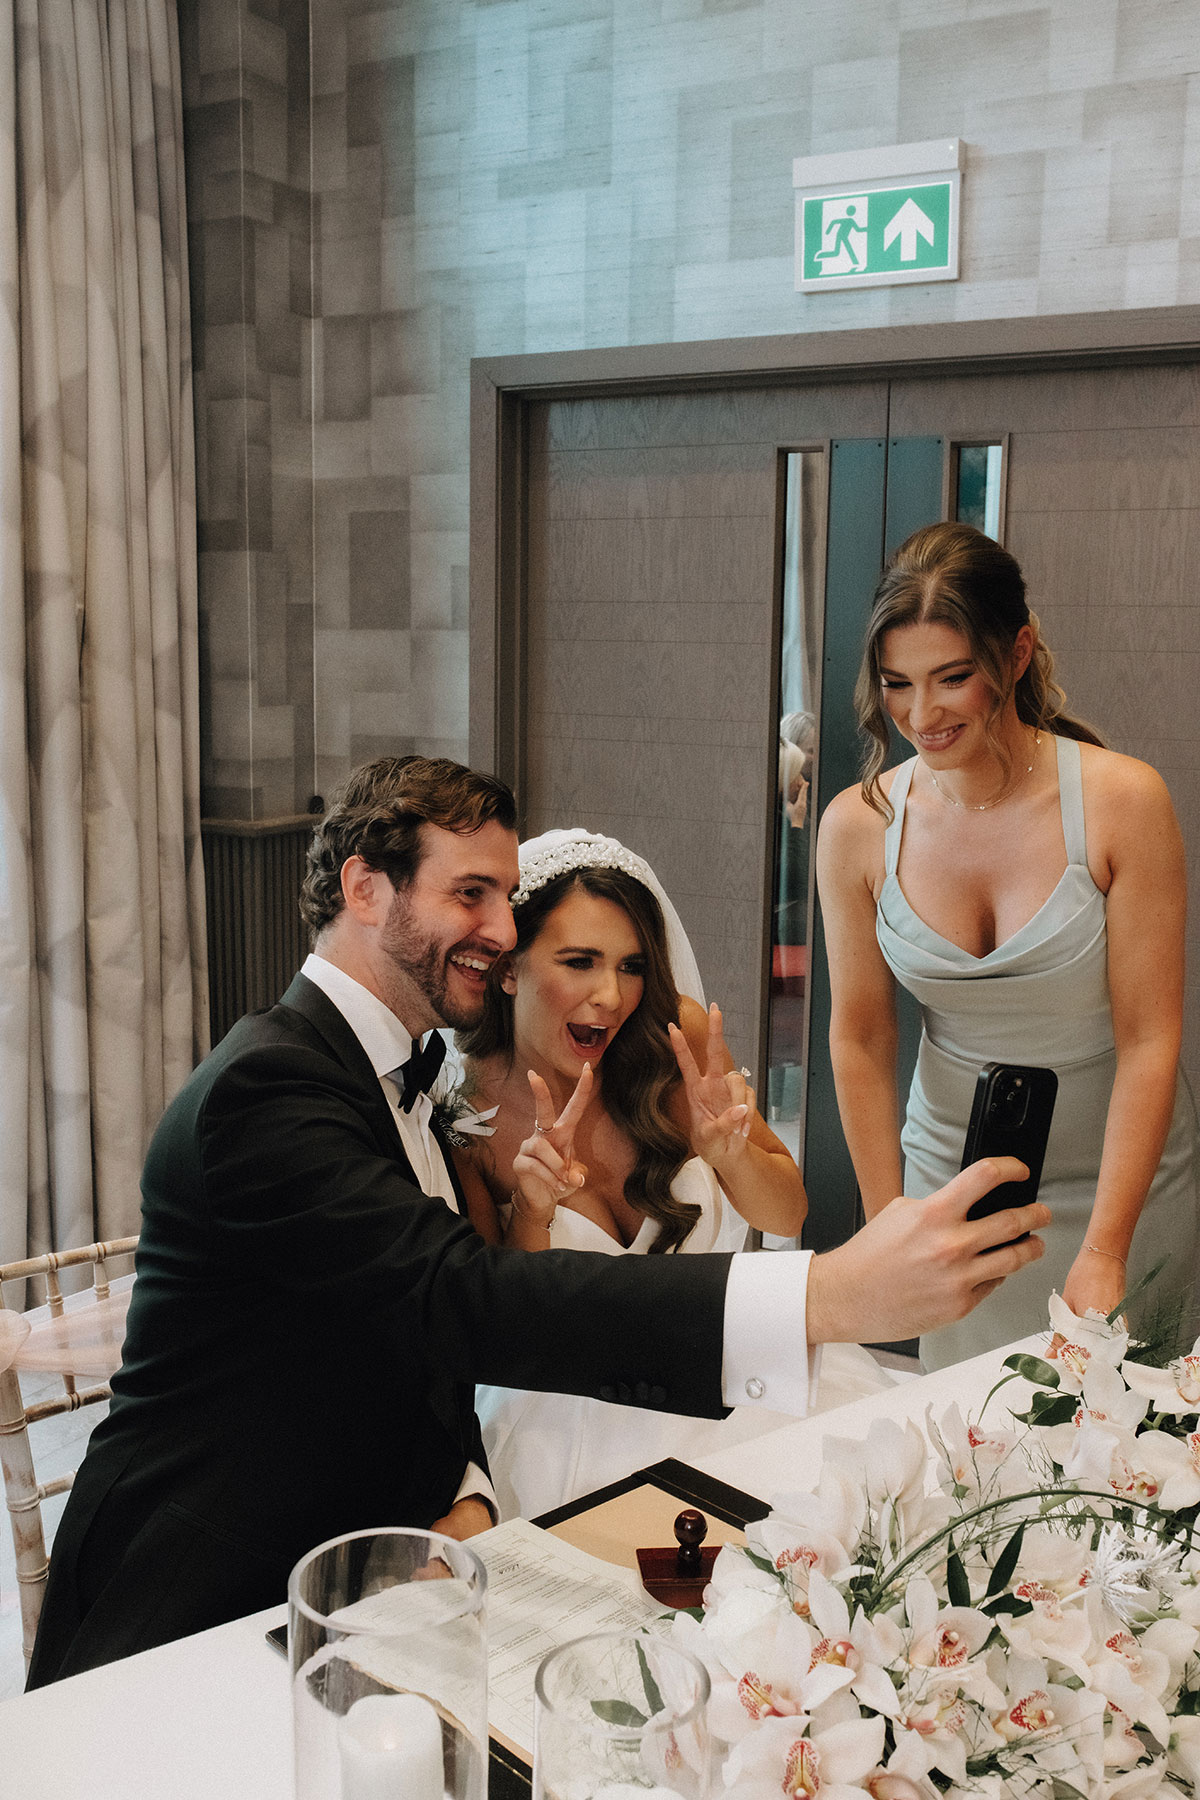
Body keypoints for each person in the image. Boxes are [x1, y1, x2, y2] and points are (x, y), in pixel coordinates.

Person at [29, 755, 1050, 1685]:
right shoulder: (268, 1087)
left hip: (389, 1566)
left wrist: (469, 1496)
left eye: (502, 899)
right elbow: (464, 1301)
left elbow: (415, 1344)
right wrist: (826, 1294)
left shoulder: (396, 1076)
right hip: (202, 1611)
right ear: (363, 889)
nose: (501, 928)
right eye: (468, 894)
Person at [817, 521, 1200, 1370]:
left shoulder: (1122, 801)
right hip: (954, 1185)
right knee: (971, 1466)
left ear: (1016, 654)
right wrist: (891, 1226)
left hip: (1123, 1188)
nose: (922, 714)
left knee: (1121, 1469)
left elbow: (1150, 1038)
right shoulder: (855, 826)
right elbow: (861, 1037)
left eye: (952, 679)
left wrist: (1104, 1248)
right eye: (897, 685)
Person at [449, 830, 889, 1516]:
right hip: (566, 1429)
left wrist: (731, 1154)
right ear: (509, 968)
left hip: (732, 1385)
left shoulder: (670, 1041)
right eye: (579, 961)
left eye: (630, 966)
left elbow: (785, 1216)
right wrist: (531, 1210)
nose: (610, 996)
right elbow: (501, 1331)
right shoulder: (467, 1114)